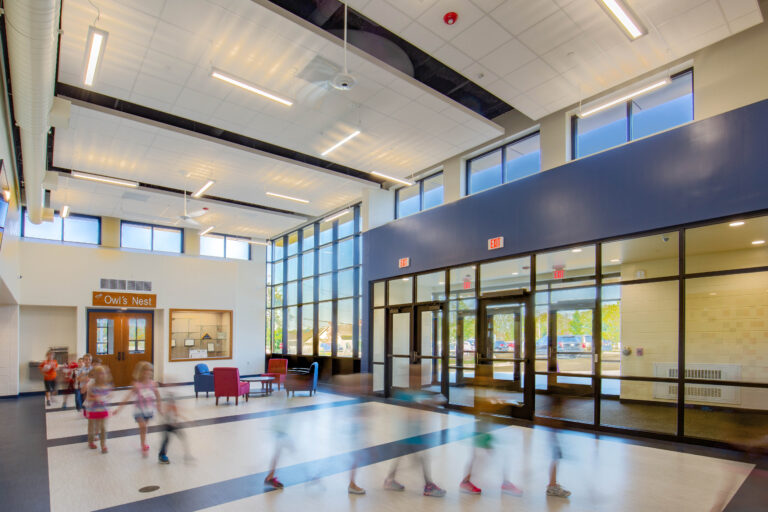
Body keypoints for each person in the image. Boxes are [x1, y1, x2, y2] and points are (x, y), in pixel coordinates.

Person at [114, 361, 162, 457]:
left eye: (149, 370)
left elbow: (158, 395)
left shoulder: (153, 384)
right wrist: (119, 409)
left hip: (149, 409)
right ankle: (143, 444)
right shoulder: (137, 385)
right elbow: (127, 397)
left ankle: (143, 441)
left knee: (144, 428)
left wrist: (159, 406)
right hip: (139, 410)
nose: (148, 372)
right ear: (141, 372)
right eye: (145, 370)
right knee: (143, 426)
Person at [546, 394, 571, 498]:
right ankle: (552, 486)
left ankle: (553, 483)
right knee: (555, 458)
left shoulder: (556, 407)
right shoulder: (555, 407)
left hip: (555, 435)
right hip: (554, 436)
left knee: (556, 458)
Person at [84, 365, 112, 453]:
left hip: (103, 410)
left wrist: (108, 397)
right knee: (92, 427)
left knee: (103, 427)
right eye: (99, 374)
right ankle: (90, 441)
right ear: (95, 375)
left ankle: (103, 445)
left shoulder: (106, 385)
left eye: (103, 373)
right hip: (93, 410)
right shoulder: (92, 386)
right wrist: (96, 398)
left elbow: (109, 395)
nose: (101, 376)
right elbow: (88, 398)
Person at [157, 392, 190, 464]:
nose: (172, 404)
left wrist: (184, 419)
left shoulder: (173, 407)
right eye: (171, 402)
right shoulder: (167, 408)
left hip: (173, 425)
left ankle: (187, 454)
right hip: (167, 425)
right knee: (166, 440)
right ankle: (162, 455)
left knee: (182, 436)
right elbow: (164, 414)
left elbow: (177, 414)